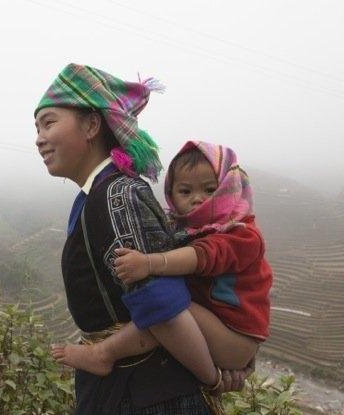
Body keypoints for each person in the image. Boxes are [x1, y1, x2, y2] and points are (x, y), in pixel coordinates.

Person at [35, 63, 216, 414]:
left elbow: (162, 310)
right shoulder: (95, 197)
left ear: (91, 125)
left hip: (148, 396)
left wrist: (212, 378)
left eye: (49, 123)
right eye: (37, 127)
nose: (39, 138)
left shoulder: (118, 194)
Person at [52, 141, 271, 398]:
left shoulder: (241, 234)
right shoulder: (187, 228)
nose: (197, 199)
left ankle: (103, 354)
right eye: (185, 191)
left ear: (230, 189)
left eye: (210, 190)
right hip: (215, 327)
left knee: (164, 304)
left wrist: (149, 263)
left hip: (234, 338)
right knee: (166, 306)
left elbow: (201, 257)